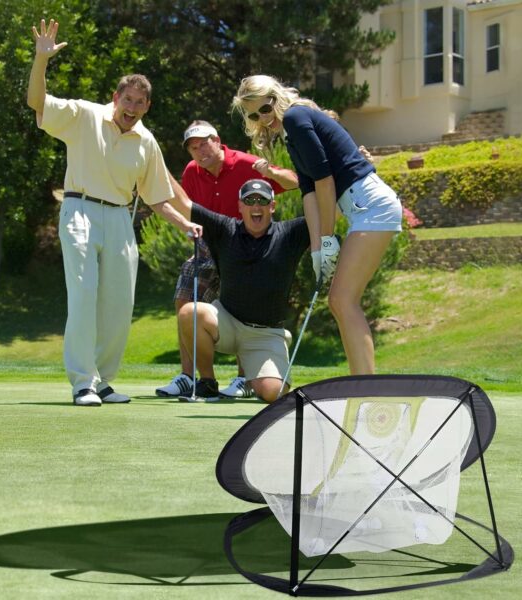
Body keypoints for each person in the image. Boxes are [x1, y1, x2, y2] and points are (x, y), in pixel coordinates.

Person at [27, 18, 200, 406]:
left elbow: (157, 197)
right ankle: (82, 383)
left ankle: (104, 380)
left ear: (147, 106)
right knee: (84, 296)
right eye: (128, 100)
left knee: (119, 304)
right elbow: (36, 102)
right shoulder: (84, 114)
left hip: (121, 218)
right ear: (115, 97)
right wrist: (42, 61)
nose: (133, 108)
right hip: (80, 211)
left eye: (140, 103)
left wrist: (184, 223)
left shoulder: (146, 140)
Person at [232, 75, 403, 376]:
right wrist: (316, 251)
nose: (263, 118)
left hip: (372, 205)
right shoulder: (289, 131)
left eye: (266, 109)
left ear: (276, 98)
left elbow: (326, 182)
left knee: (342, 299)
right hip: (362, 209)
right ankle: (361, 382)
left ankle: (365, 385)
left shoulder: (297, 116)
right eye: (254, 115)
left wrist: (327, 239)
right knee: (340, 301)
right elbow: (309, 190)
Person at [155, 120, 298, 399]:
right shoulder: (191, 172)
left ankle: (245, 378)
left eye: (204, 143)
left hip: (248, 245)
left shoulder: (246, 163)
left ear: (217, 140)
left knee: (244, 300)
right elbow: (188, 206)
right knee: (185, 297)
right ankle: (190, 376)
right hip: (211, 245)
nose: (199, 151)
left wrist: (270, 172)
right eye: (193, 148)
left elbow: (293, 183)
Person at [166, 179, 310, 403]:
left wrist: (357, 174)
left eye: (262, 200)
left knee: (274, 394)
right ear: (240, 206)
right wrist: (153, 159)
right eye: (249, 200)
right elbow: (183, 203)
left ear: (272, 206)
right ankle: (207, 383)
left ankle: (254, 378)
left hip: (265, 334)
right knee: (189, 312)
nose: (256, 206)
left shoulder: (290, 233)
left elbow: (335, 212)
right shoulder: (225, 229)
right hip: (227, 323)